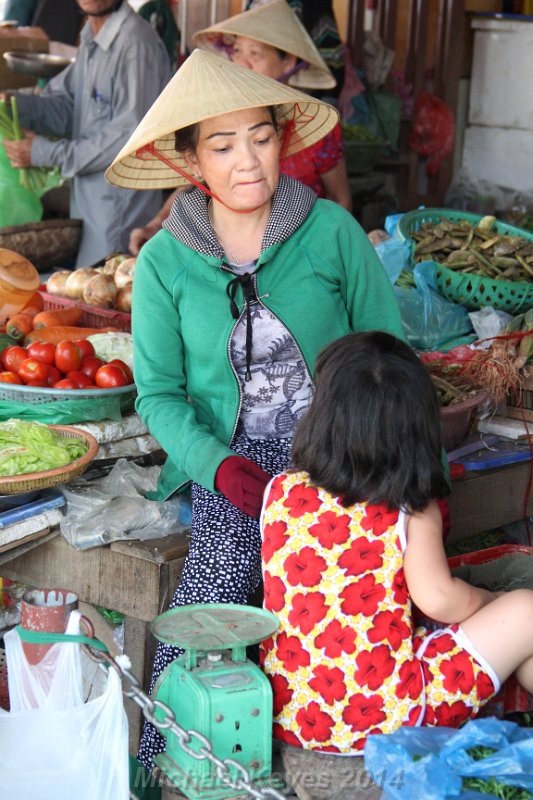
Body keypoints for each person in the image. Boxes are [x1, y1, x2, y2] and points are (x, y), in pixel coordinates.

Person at [106, 48, 404, 771]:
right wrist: (220, 467)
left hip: (341, 452)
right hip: (230, 464)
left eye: (262, 137)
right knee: (213, 591)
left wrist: (367, 457)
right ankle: (170, 765)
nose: (248, 162)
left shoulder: (330, 232)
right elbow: (160, 396)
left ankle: (343, 753)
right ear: (189, 162)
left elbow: (388, 356)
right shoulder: (164, 263)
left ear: (281, 139)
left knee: (353, 589)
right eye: (222, 144)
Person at [260, 330, 533, 796]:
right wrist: (494, 600)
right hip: (388, 717)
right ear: (417, 431)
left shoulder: (281, 491)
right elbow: (441, 600)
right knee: (526, 612)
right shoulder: (408, 508)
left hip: (299, 718)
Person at [128, 0, 351, 256]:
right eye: (237, 51)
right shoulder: (218, 114)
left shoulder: (318, 132)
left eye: (255, 53)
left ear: (289, 61)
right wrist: (157, 224)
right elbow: (200, 179)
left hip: (300, 252)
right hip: (227, 257)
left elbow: (340, 198)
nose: (242, 63)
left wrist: (328, 253)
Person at [2, 0, 171, 267]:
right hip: (89, 205)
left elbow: (127, 136)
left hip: (118, 213)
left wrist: (43, 152)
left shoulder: (136, 44)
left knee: (104, 295)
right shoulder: (91, 35)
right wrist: (12, 105)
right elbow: (68, 109)